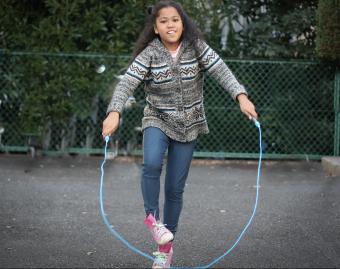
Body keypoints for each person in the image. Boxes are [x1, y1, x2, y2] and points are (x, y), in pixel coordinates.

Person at [102, 1, 258, 268]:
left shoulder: (196, 48)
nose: (170, 25)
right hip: (157, 118)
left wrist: (241, 96)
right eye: (163, 21)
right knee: (151, 163)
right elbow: (128, 81)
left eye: (175, 19)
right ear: (155, 28)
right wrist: (114, 111)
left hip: (190, 124)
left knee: (174, 188)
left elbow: (221, 71)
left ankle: (165, 249)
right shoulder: (150, 53)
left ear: (183, 23)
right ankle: (153, 221)